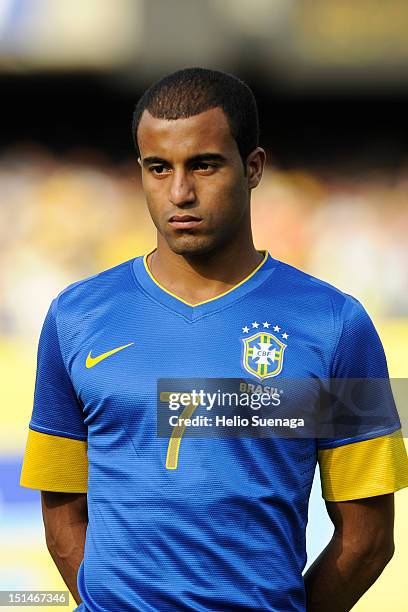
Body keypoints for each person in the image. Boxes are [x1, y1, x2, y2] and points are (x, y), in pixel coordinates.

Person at [20, 67, 408, 612]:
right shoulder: (76, 315)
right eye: (159, 168)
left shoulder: (337, 324)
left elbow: (368, 542)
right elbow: (61, 507)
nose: (180, 192)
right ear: (140, 172)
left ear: (253, 168)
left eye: (204, 165)